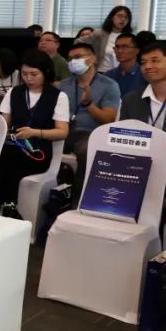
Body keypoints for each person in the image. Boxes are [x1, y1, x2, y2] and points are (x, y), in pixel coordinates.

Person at [0, 50, 70, 215]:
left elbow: (62, 132)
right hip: (14, 145)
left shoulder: (58, 96)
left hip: (38, 151)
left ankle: (4, 206)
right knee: (0, 158)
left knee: (8, 162)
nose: (28, 79)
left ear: (46, 72)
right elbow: (3, 124)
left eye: (34, 74)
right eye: (24, 74)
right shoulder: (14, 92)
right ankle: (2, 206)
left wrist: (35, 132)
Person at [119, 42, 166, 230]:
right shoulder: (131, 100)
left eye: (155, 60)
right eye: (143, 62)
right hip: (138, 169)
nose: (148, 66)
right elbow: (123, 141)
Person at [58, 42, 120, 207]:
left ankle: (79, 201)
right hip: (64, 130)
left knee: (87, 150)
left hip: (91, 133)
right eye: (70, 58)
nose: (73, 61)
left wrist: (89, 105)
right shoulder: (64, 84)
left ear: (92, 59)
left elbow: (109, 119)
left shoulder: (109, 85)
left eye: (78, 57)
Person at [78, 5, 133, 74]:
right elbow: (78, 42)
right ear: (112, 17)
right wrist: (89, 57)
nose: (123, 19)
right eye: (120, 16)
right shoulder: (99, 34)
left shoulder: (129, 37)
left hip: (122, 73)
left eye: (126, 17)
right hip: (101, 72)